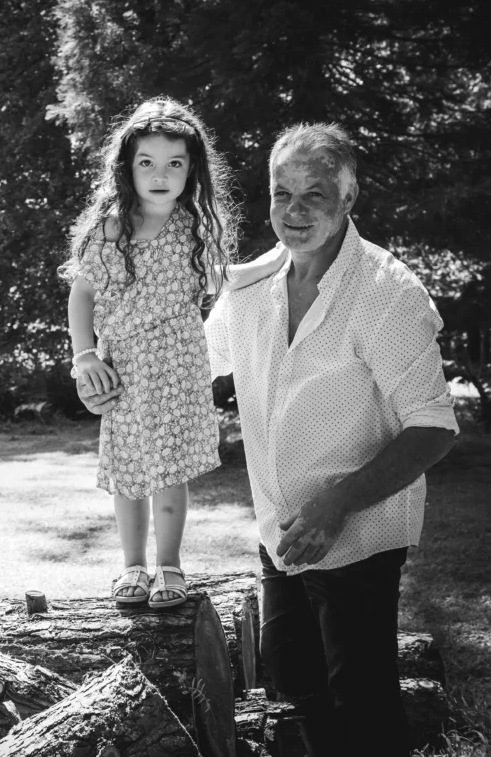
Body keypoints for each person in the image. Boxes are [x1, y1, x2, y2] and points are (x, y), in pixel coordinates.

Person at [80, 122, 459, 756]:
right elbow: (190, 360)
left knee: (362, 699)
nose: (295, 211)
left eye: (315, 195)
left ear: (349, 197)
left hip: (359, 537)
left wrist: (338, 503)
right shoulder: (250, 287)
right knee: (295, 683)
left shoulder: (389, 295)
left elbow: (434, 426)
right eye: (283, 194)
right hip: (281, 536)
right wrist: (102, 375)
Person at [61, 97, 285, 608]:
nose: (160, 175)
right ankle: (132, 568)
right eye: (147, 163)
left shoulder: (193, 229)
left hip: (181, 367)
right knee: (130, 474)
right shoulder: (111, 229)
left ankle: (170, 567)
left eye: (174, 164)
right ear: (128, 168)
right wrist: (84, 356)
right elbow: (82, 292)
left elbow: (222, 280)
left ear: (191, 170)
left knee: (170, 472)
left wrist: (275, 260)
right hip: (125, 369)